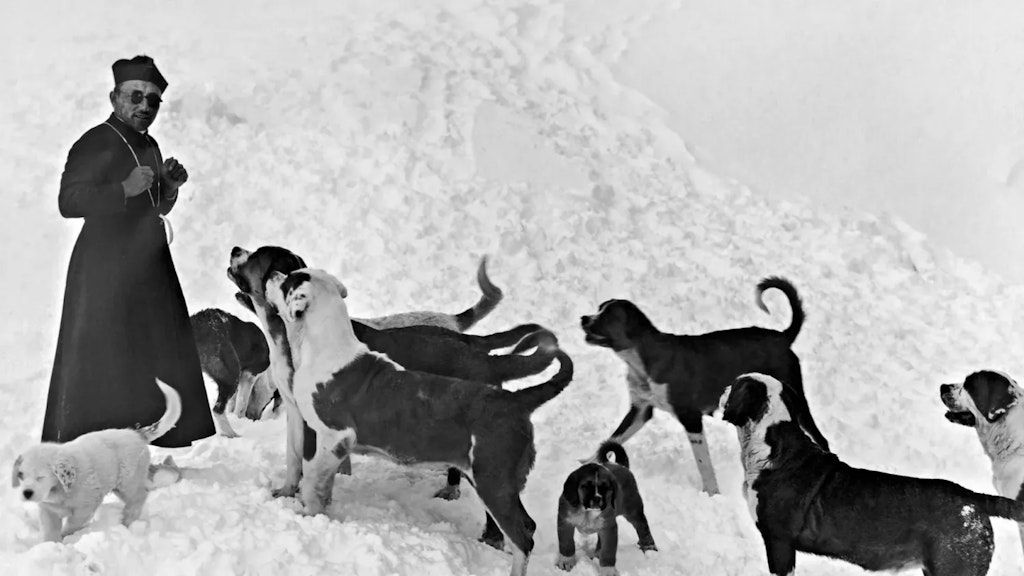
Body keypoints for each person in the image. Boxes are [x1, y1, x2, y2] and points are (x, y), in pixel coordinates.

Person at [41, 55, 215, 448]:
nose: (144, 106)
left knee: (151, 352)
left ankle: (139, 449)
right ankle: (95, 452)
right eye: (135, 96)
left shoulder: (150, 144)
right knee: (109, 356)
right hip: (105, 267)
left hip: (148, 265)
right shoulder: (96, 141)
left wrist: (168, 188)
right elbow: (69, 201)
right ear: (114, 97)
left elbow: (153, 205)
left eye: (152, 100)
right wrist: (124, 188)